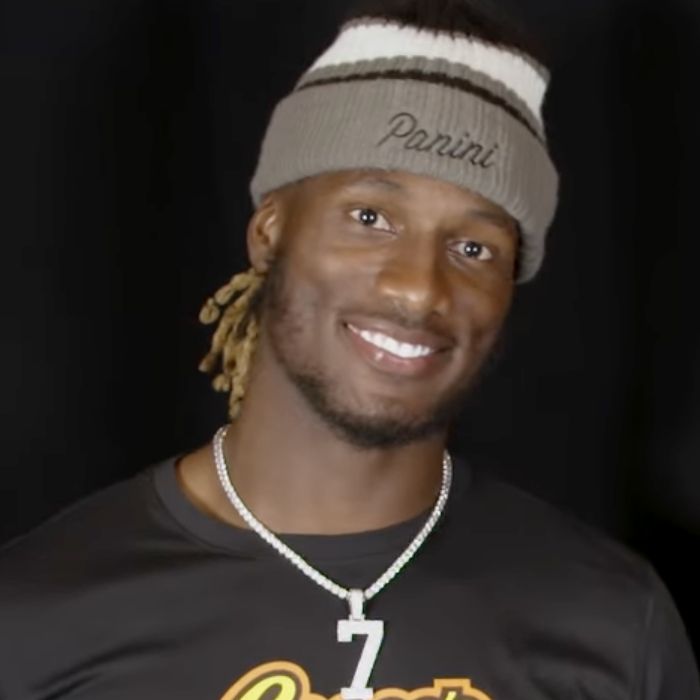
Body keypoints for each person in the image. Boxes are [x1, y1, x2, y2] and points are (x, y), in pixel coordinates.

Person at [1, 0, 698, 698]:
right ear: (269, 234)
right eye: (370, 217)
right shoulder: (39, 616)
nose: (417, 289)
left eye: (473, 248)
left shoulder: (610, 623)